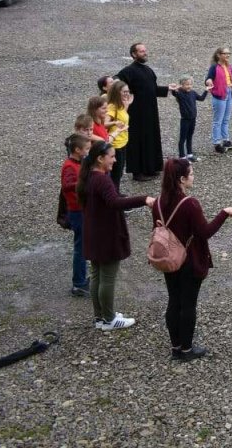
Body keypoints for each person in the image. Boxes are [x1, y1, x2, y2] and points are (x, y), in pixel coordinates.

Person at [154, 158, 232, 361]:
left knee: (174, 300)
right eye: (191, 174)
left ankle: (176, 347)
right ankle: (187, 349)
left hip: (168, 259)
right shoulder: (190, 204)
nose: (193, 177)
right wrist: (225, 213)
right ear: (182, 179)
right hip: (189, 260)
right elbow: (205, 232)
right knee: (188, 304)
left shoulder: (159, 202)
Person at [76, 141, 154, 331]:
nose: (115, 159)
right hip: (106, 235)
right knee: (107, 278)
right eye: (111, 156)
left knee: (96, 276)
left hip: (94, 233)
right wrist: (143, 199)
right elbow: (115, 202)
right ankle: (109, 319)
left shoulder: (88, 177)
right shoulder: (101, 179)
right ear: (100, 158)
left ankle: (100, 317)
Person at [115, 43, 178, 182]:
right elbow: (116, 83)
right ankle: (137, 172)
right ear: (133, 54)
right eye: (141, 51)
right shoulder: (127, 71)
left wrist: (168, 88)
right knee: (137, 141)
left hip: (150, 112)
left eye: (145, 51)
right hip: (136, 113)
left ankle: (150, 168)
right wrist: (126, 98)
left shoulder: (148, 70)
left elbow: (153, 89)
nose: (145, 53)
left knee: (150, 138)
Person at [61, 134, 91, 297]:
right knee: (80, 248)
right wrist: (83, 182)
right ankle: (78, 283)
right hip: (77, 211)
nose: (88, 151)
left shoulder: (78, 163)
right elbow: (66, 186)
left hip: (81, 209)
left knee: (83, 245)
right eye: (86, 149)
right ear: (77, 150)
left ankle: (81, 279)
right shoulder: (69, 166)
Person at [205, 47, 232, 154]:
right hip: (219, 96)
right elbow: (208, 79)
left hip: (229, 93)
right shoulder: (214, 67)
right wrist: (208, 82)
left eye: (228, 53)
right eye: (225, 53)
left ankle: (226, 140)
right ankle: (217, 143)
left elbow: (231, 79)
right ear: (219, 55)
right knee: (218, 120)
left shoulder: (228, 66)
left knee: (226, 119)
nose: (227, 55)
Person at [171, 75, 208, 161]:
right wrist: (175, 88)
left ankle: (190, 155)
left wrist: (206, 90)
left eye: (190, 84)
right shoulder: (179, 94)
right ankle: (182, 156)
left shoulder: (193, 93)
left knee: (189, 137)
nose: (189, 86)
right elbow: (174, 93)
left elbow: (201, 98)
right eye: (186, 84)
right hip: (185, 120)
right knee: (182, 138)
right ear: (182, 85)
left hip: (193, 119)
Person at [105, 81, 132, 189]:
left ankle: (116, 192)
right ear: (117, 92)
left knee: (119, 171)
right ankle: (114, 195)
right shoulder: (112, 106)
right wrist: (115, 123)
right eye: (124, 92)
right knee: (116, 173)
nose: (127, 94)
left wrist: (126, 106)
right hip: (116, 145)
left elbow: (123, 119)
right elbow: (105, 124)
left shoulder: (121, 105)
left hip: (123, 142)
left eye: (128, 91)